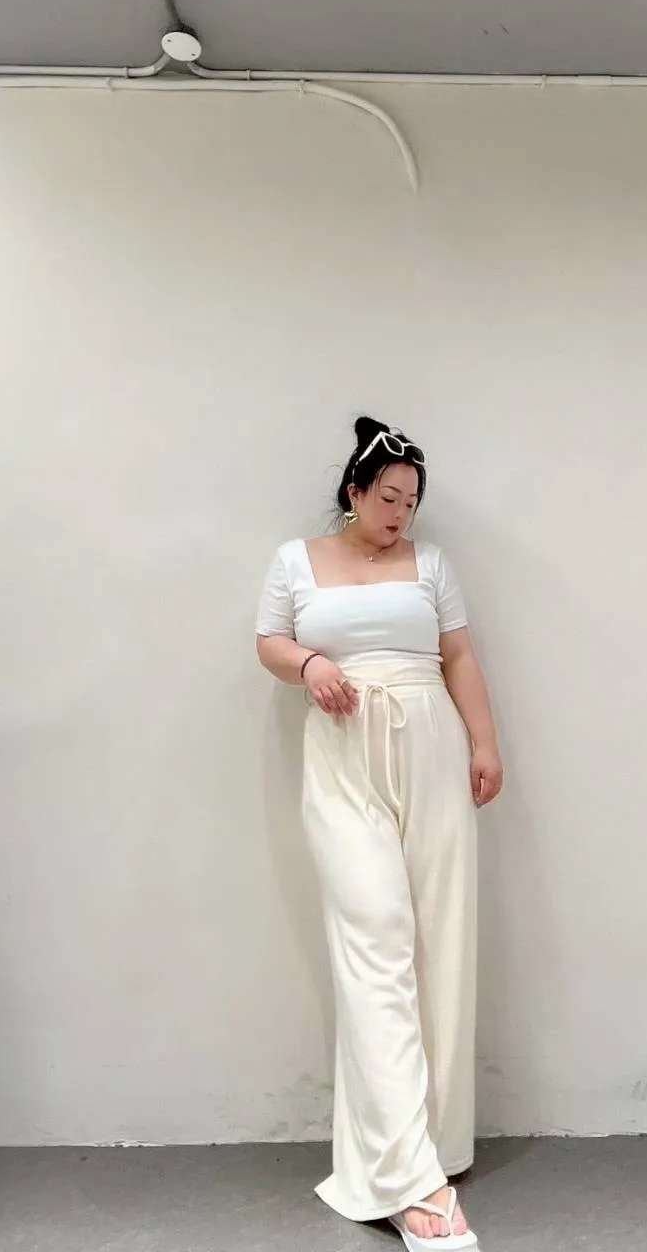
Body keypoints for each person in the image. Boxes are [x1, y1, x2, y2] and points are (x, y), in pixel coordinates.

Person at [255, 417, 503, 1250]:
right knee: (376, 937)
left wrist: (485, 744)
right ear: (355, 492)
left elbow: (458, 656)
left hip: (431, 750)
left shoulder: (431, 565)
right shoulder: (296, 561)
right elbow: (268, 642)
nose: (401, 513)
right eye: (389, 497)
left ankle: (430, 1141)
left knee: (439, 941)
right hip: (343, 759)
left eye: (412, 502)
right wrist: (310, 664)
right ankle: (408, 1178)